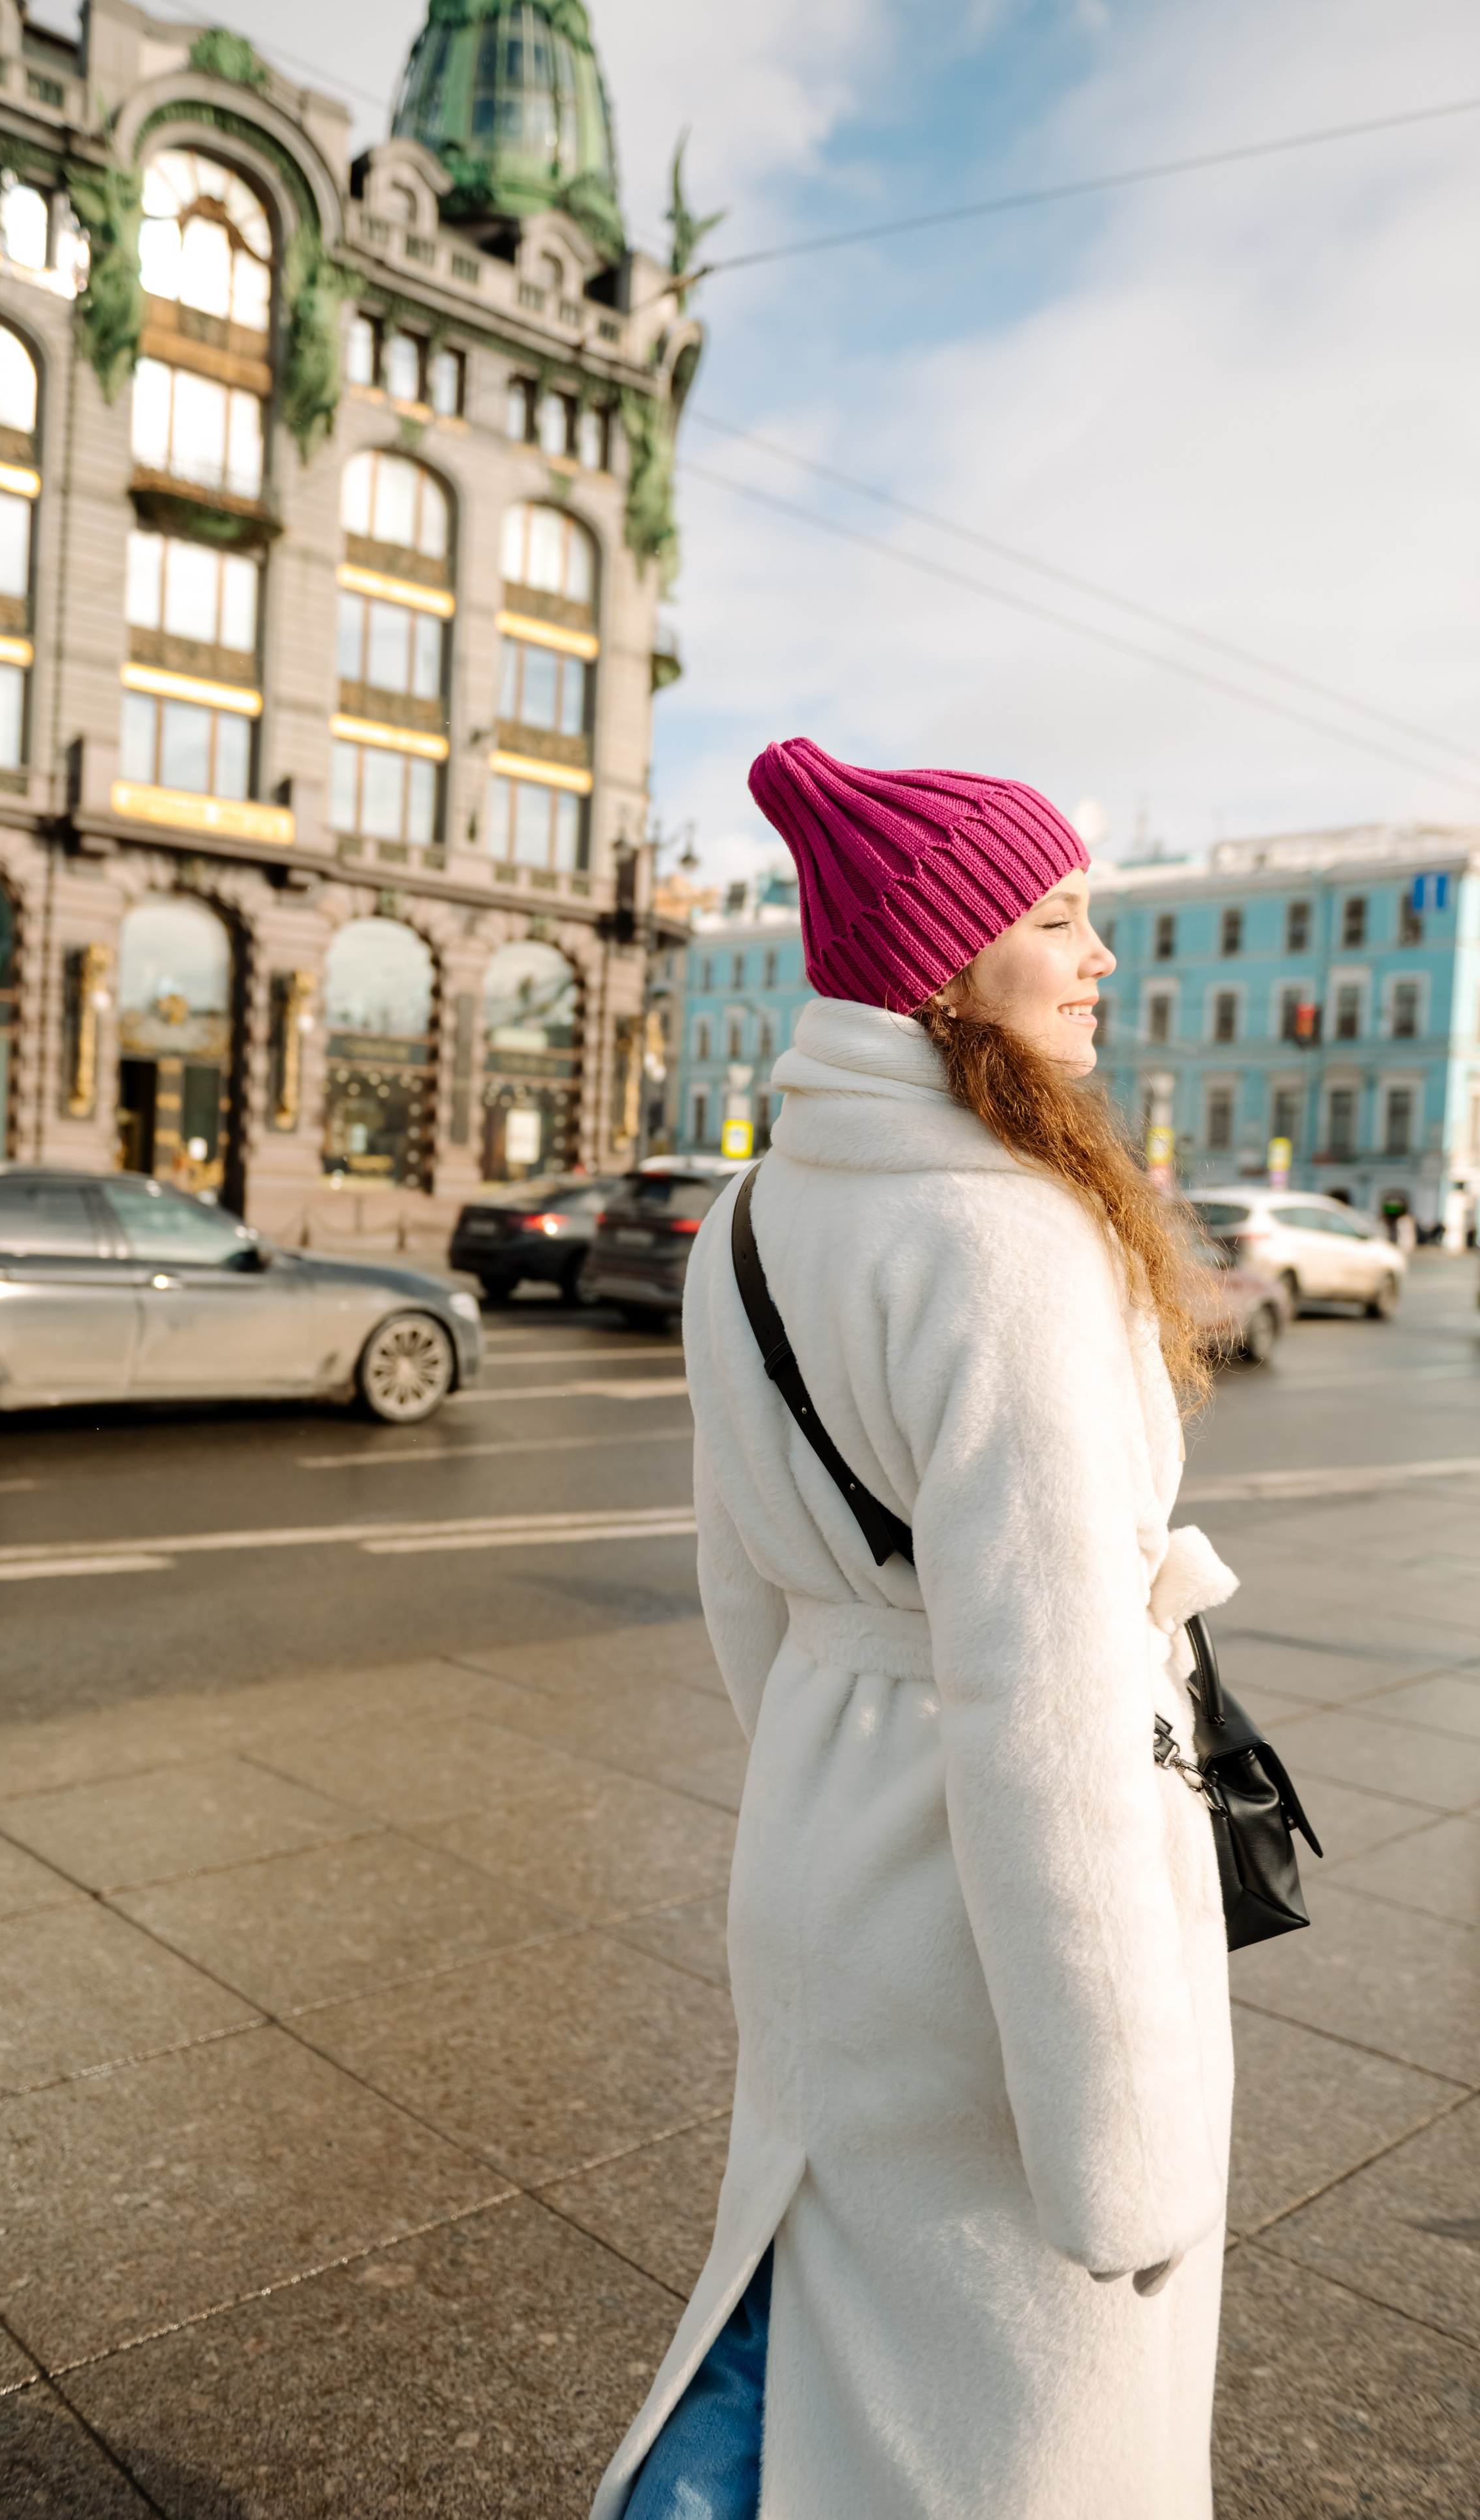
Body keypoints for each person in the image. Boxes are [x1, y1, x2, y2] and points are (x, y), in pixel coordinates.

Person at [593, 743, 1238, 2520]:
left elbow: (748, 1589)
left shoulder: (747, 1220)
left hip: (827, 1836)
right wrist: (1123, 2153)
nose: (1100, 956)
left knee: (812, 2298)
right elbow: (1052, 1716)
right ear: (948, 967)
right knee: (1011, 2416)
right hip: (989, 1929)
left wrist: (829, 1765)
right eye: (1055, 919)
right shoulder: (1010, 1238)